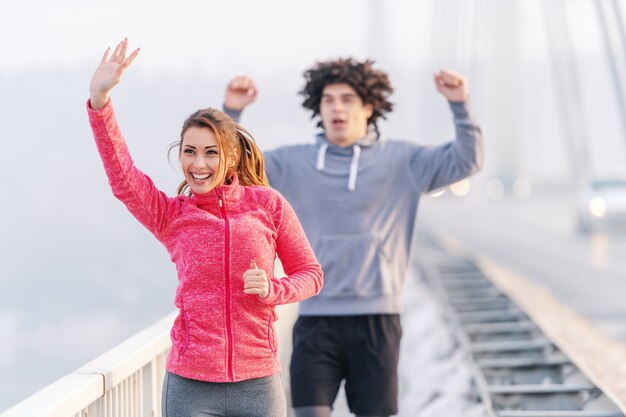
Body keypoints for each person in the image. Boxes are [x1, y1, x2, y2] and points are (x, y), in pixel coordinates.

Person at [222, 58, 484, 417]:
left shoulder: (403, 160)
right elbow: (232, 168)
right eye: (328, 100)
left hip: (377, 320)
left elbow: (467, 161)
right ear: (319, 108)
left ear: (368, 107)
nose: (337, 107)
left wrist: (460, 104)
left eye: (347, 99)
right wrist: (232, 113)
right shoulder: (295, 163)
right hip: (315, 319)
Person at [86, 38, 323, 417]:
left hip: (258, 384)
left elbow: (311, 274)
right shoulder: (172, 215)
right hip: (191, 387)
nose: (198, 163)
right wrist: (100, 103)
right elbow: (123, 177)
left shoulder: (268, 205)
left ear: (231, 158)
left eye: (211, 152)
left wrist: (273, 289)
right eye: (190, 151)